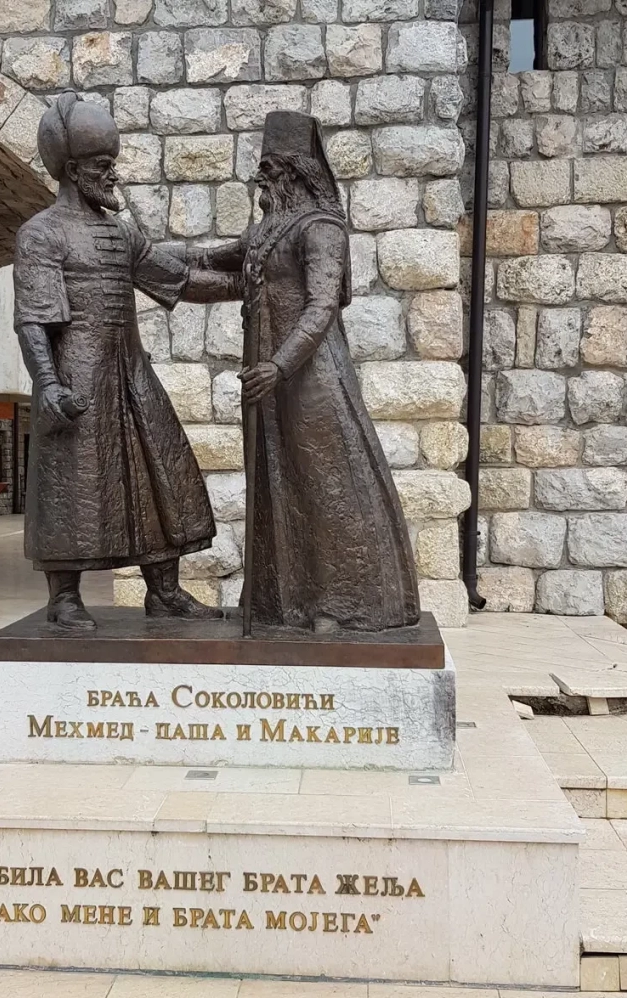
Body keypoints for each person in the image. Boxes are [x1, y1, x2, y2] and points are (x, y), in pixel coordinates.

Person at [183, 110, 420, 633]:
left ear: (294, 173)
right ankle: (281, 604)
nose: (259, 178)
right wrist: (142, 257)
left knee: (324, 486)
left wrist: (278, 365)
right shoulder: (267, 231)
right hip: (268, 383)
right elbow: (210, 261)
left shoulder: (321, 229)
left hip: (312, 379)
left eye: (268, 168)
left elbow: (321, 307)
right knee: (278, 484)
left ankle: (342, 603)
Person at [14, 91, 234, 631]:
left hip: (132, 374)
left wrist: (245, 277)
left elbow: (180, 275)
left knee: (161, 470)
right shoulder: (41, 233)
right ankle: (64, 597)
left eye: (112, 163)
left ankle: (165, 592)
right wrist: (48, 384)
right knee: (71, 484)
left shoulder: (120, 231)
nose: (112, 174)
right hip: (78, 376)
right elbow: (35, 319)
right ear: (72, 171)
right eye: (101, 165)